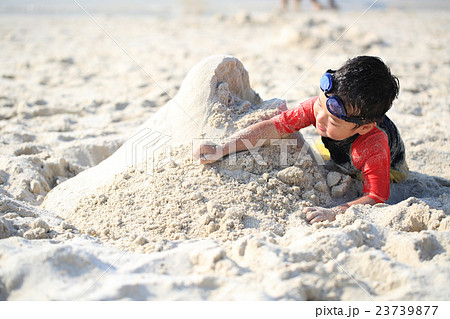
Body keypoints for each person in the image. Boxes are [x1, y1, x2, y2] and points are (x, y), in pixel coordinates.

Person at [193, 56, 409, 224]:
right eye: (320, 105)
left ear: (363, 127)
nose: (319, 118)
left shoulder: (374, 146)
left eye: (332, 120)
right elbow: (274, 126)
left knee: (360, 171)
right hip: (338, 146)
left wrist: (334, 212)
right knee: (299, 136)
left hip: (388, 166)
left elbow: (376, 196)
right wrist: (222, 147)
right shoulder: (321, 108)